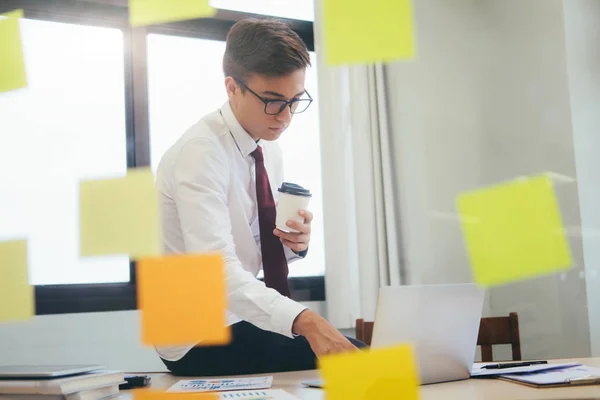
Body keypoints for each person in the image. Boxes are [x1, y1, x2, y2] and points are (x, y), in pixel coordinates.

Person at [154, 18, 366, 377]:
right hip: (195, 335)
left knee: (352, 354)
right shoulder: (200, 153)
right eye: (272, 101)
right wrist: (308, 321)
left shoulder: (267, 147)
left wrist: (292, 244)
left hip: (241, 317)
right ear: (232, 87)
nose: (285, 117)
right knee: (353, 356)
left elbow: (253, 249)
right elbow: (218, 273)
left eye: (295, 101)